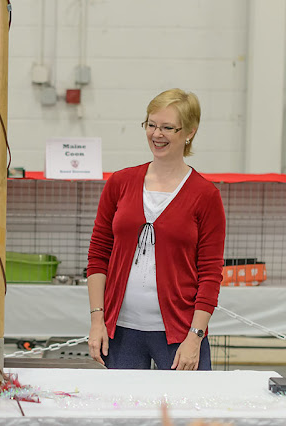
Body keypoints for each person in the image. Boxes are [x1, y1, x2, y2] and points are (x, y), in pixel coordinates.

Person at [87, 88, 226, 370]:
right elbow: (98, 255)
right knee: (123, 413)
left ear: (189, 132)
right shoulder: (120, 183)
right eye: (150, 125)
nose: (156, 134)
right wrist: (97, 320)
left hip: (179, 335)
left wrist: (195, 337)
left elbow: (210, 273)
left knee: (186, 414)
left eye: (167, 128)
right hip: (122, 332)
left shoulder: (205, 195)